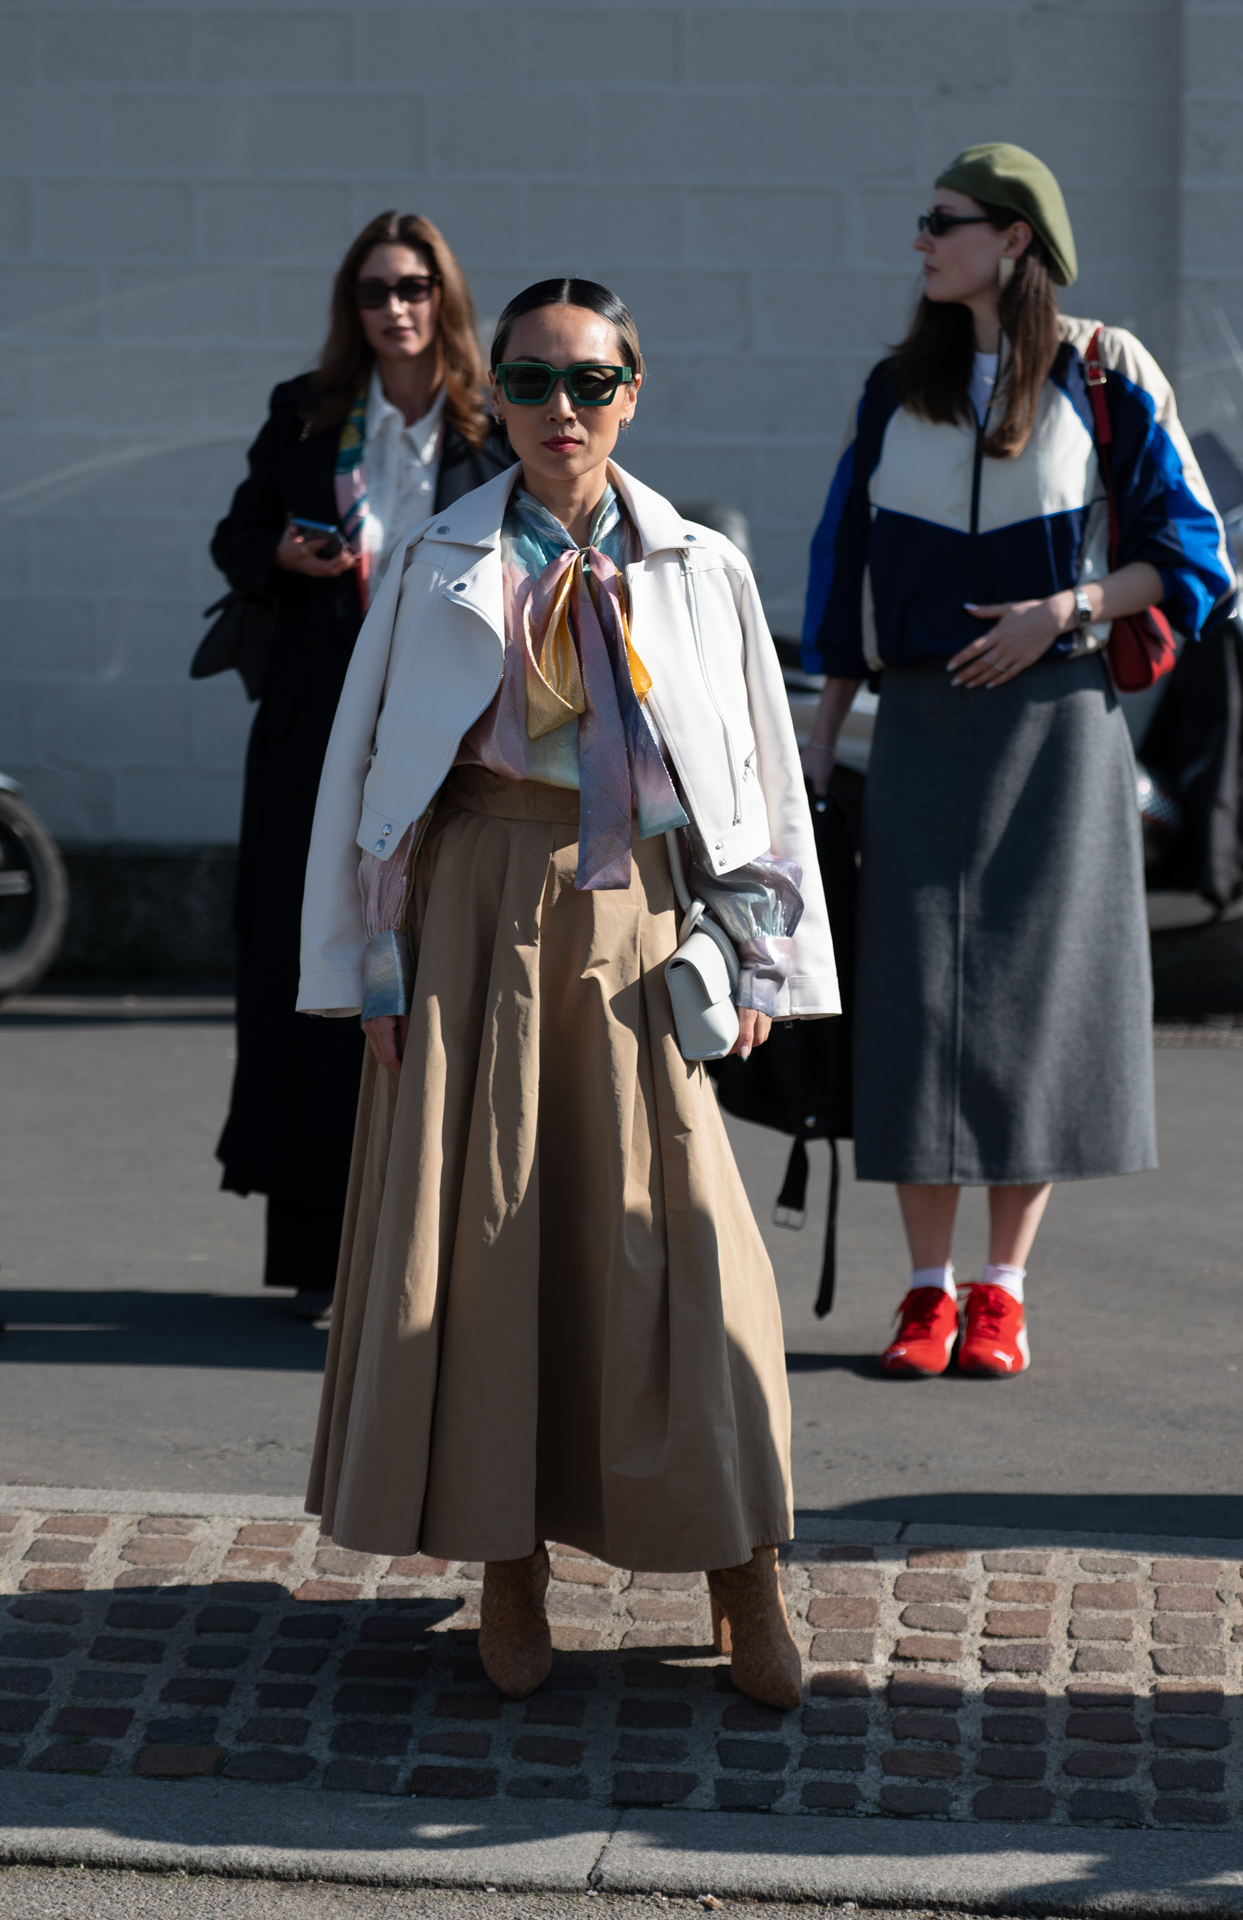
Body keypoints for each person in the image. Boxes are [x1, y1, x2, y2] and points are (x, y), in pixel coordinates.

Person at [297, 278, 839, 1706]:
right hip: (472, 912)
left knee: (689, 1256)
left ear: (631, 394)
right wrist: (368, 966)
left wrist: (758, 948)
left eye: (588, 385)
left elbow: (762, 786)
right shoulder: (433, 558)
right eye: (530, 384)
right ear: (505, 400)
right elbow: (367, 779)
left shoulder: (698, 566)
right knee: (489, 1250)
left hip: (643, 924)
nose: (558, 411)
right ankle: (508, 1561)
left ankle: (744, 1569)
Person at [800, 144, 1232, 1380]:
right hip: (922, 729)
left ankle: (1002, 1291)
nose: (921, 240)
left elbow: (1189, 553)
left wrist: (1069, 609)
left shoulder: (1104, 371)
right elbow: (843, 574)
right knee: (915, 1005)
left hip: (1058, 723)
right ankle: (924, 1294)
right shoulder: (894, 388)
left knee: (1038, 1007)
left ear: (1016, 241)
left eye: (943, 222)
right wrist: (822, 743)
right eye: (922, 217)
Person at [210, 211, 513, 1321]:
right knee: (315, 980)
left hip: (444, 745)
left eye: (415, 286)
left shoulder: (490, 425)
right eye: (375, 289)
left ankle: (430, 1248)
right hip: (308, 738)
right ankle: (321, 1257)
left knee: (430, 981)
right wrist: (282, 553)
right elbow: (235, 536)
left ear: (445, 299)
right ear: (353, 307)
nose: (395, 307)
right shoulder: (309, 412)